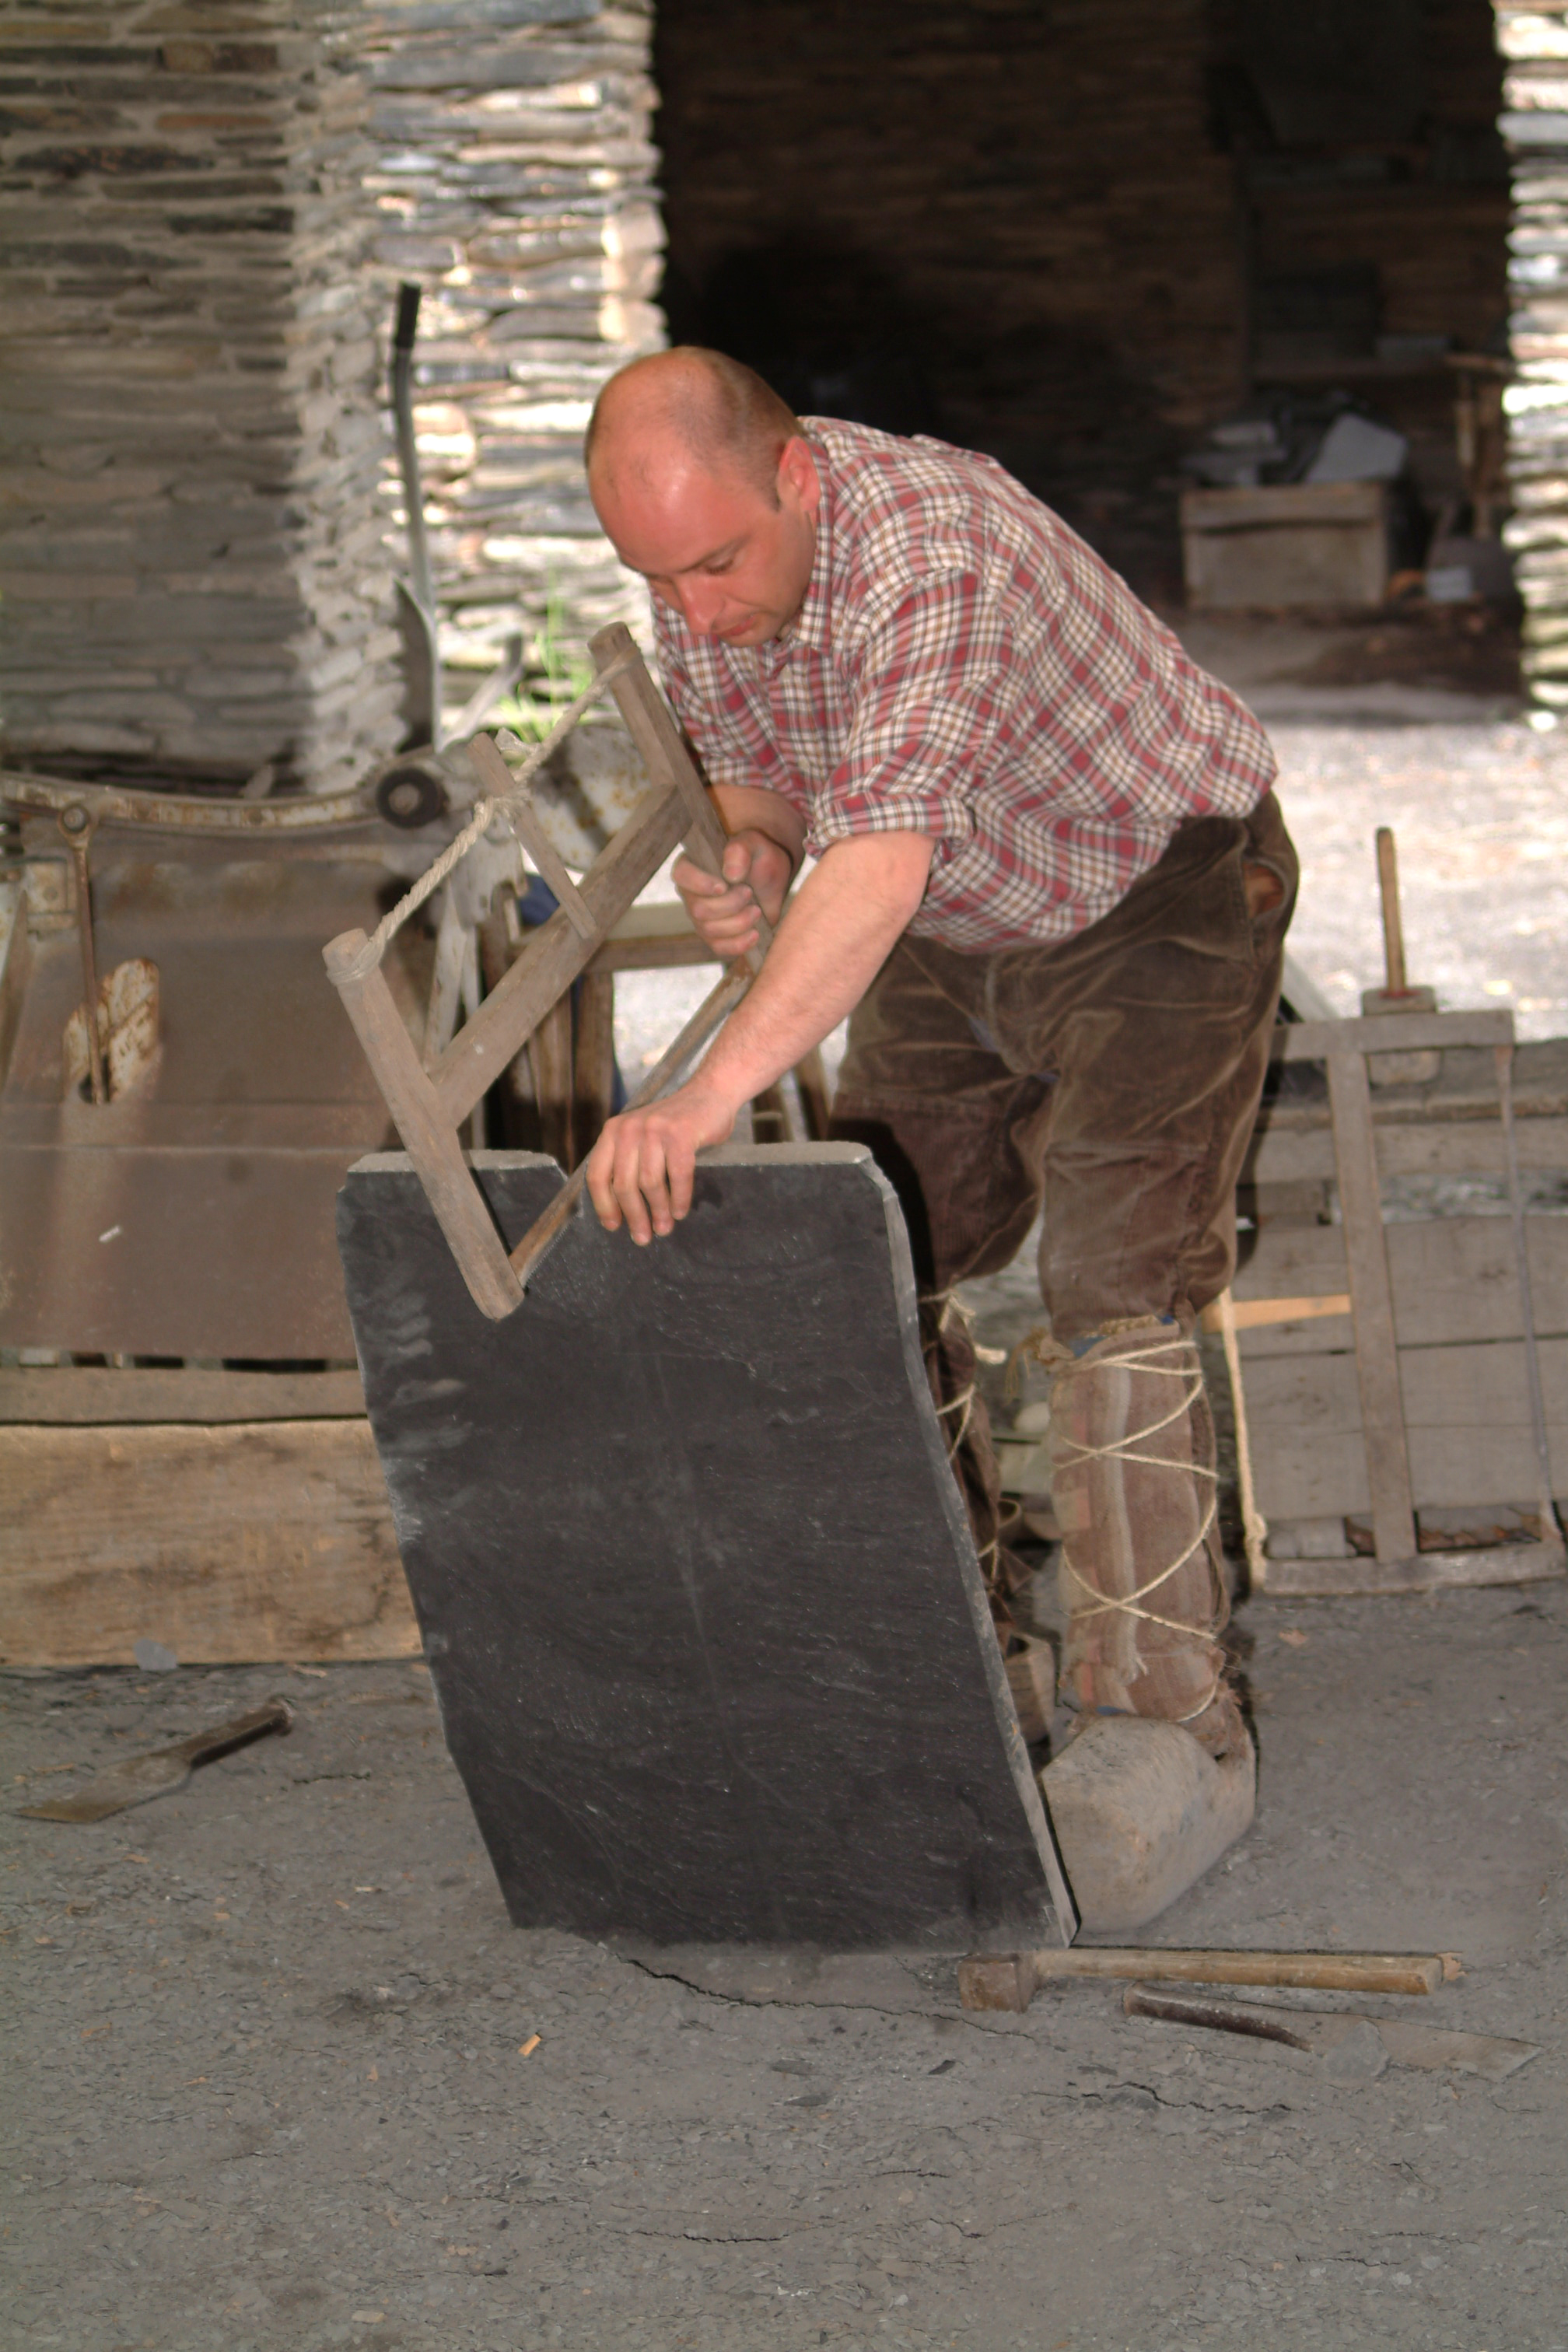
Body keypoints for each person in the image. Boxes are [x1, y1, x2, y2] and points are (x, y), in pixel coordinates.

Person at [580, 346, 1295, 1865]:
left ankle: (1169, 1724)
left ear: (797, 476)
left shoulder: (934, 545)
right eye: (660, 578)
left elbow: (881, 857)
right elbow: (765, 772)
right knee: (873, 1259)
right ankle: (959, 1659)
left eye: (717, 566)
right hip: (955, 920)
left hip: (1156, 884)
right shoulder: (708, 565)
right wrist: (755, 847)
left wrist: (703, 1097)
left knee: (1114, 1287)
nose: (693, 611)